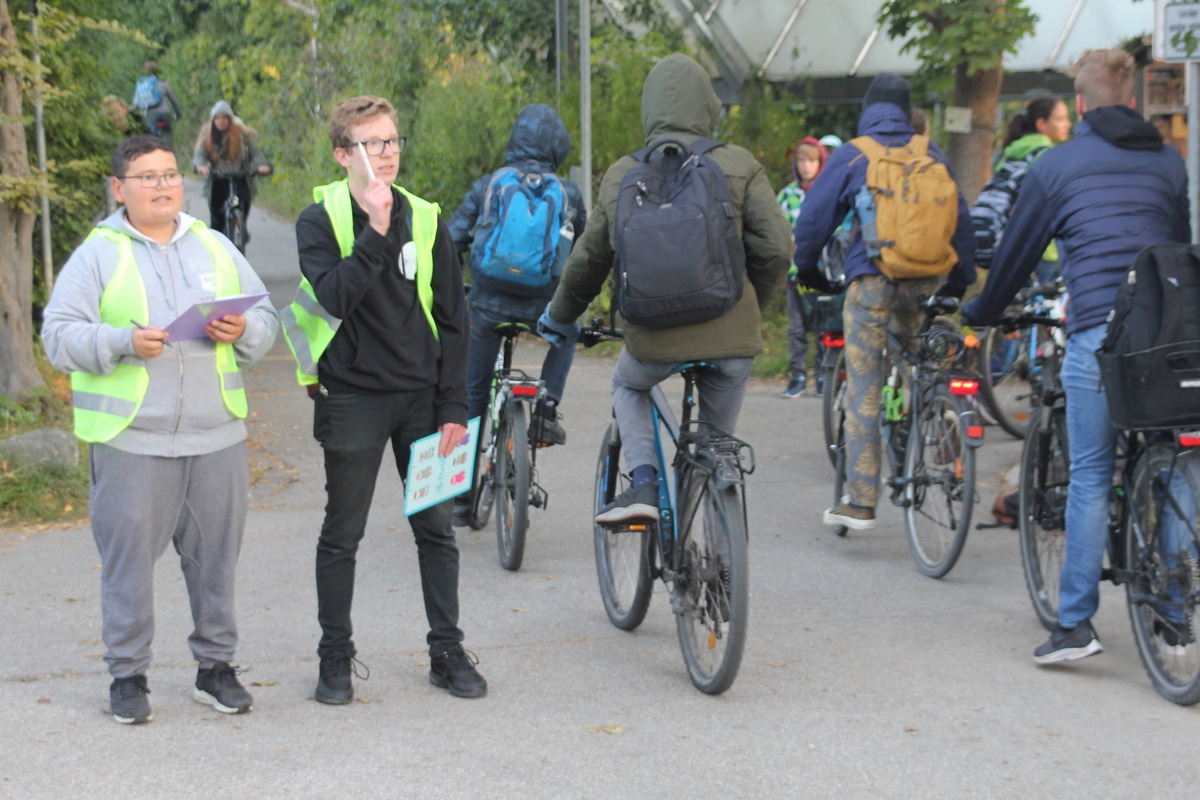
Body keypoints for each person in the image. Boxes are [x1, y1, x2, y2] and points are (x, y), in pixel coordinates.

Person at [41, 135, 280, 725]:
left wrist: (241, 330)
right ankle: (128, 676)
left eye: (170, 174)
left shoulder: (214, 244)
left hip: (216, 435)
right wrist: (120, 342)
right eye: (146, 177)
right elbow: (58, 335)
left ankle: (216, 670)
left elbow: (267, 319)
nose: (162, 185)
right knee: (128, 566)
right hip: (132, 439)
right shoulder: (99, 253)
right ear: (119, 189)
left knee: (216, 562)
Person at [962, 50, 1189, 664]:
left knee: (1091, 474)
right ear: (1134, 101)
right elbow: (1179, 248)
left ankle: (1075, 628)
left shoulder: (1057, 165)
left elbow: (1015, 256)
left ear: (1081, 106)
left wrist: (981, 313)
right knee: (1172, 463)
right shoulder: (1170, 162)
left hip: (1100, 334)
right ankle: (1176, 606)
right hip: (1170, 337)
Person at [284, 95, 485, 703]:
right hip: (352, 399)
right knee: (342, 533)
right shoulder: (318, 221)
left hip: (423, 402)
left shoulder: (425, 217)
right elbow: (333, 298)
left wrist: (454, 407)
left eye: (393, 141)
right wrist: (373, 230)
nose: (388, 154)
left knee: (437, 530)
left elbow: (455, 319)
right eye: (373, 144)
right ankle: (335, 658)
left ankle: (446, 650)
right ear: (344, 154)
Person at [539, 53, 793, 524]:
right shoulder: (738, 165)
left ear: (649, 109)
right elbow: (777, 247)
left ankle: (643, 484)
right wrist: (751, 301)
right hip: (731, 341)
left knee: (627, 384)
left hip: (652, 341)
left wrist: (559, 316)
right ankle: (719, 552)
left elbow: (590, 260)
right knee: (719, 447)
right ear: (708, 106)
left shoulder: (621, 175)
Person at [792, 73, 977, 531]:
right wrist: (960, 282)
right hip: (926, 279)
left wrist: (810, 270)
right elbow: (961, 220)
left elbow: (814, 221)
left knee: (865, 384)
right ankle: (942, 427)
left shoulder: (856, 153)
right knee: (924, 361)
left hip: (872, 280)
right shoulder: (931, 153)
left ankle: (861, 500)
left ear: (870, 109)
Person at [448, 103, 586, 473]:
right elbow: (588, 254)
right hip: (544, 306)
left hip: (487, 307)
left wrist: (448, 290)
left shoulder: (490, 185)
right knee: (568, 332)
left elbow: (451, 241)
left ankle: (460, 496)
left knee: (474, 393)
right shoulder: (568, 194)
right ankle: (547, 407)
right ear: (558, 146)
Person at [971, 96, 1072, 276]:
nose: (1068, 124)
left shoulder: (1010, 152)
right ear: (1041, 124)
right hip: (1042, 247)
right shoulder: (1047, 156)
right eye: (1061, 118)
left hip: (1013, 243)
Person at [777, 137, 827, 398]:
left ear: (820, 163)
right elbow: (778, 233)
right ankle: (797, 376)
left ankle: (822, 374)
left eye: (811, 160)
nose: (806, 166)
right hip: (795, 274)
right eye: (801, 160)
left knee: (822, 327)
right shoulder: (786, 196)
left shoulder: (827, 191)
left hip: (822, 274)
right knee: (796, 328)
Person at [193, 101, 271, 242]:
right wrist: (200, 165)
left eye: (224, 118)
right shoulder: (208, 136)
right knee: (217, 217)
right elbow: (200, 154)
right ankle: (217, 242)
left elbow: (255, 153)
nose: (221, 121)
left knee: (245, 200)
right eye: (217, 118)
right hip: (217, 178)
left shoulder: (241, 136)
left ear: (230, 119)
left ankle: (241, 226)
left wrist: (262, 165)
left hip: (239, 176)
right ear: (213, 120)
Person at [132, 61, 181, 140]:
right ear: (158, 72)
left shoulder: (142, 86)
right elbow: (173, 101)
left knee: (154, 138)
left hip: (150, 115)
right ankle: (170, 149)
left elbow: (135, 104)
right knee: (168, 133)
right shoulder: (163, 84)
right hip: (165, 113)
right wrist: (178, 115)